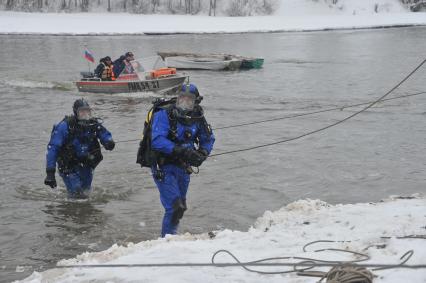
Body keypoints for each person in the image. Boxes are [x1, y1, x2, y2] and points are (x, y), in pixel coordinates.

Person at [149, 84, 215, 237]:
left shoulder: (198, 117)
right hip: (163, 166)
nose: (184, 102)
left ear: (195, 102)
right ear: (177, 99)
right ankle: (166, 240)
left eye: (189, 99)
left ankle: (172, 235)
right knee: (174, 207)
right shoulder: (164, 114)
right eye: (181, 98)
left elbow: (208, 138)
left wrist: (202, 153)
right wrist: (182, 150)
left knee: (181, 206)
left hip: (183, 167)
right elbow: (157, 140)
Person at [44, 99, 115, 199]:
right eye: (82, 111)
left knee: (86, 192)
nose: (85, 114)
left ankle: (84, 212)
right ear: (75, 112)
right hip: (68, 166)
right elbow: (53, 148)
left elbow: (104, 134)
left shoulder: (93, 124)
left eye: (87, 111)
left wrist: (109, 142)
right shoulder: (64, 126)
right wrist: (50, 173)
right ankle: (72, 211)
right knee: (77, 192)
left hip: (87, 164)